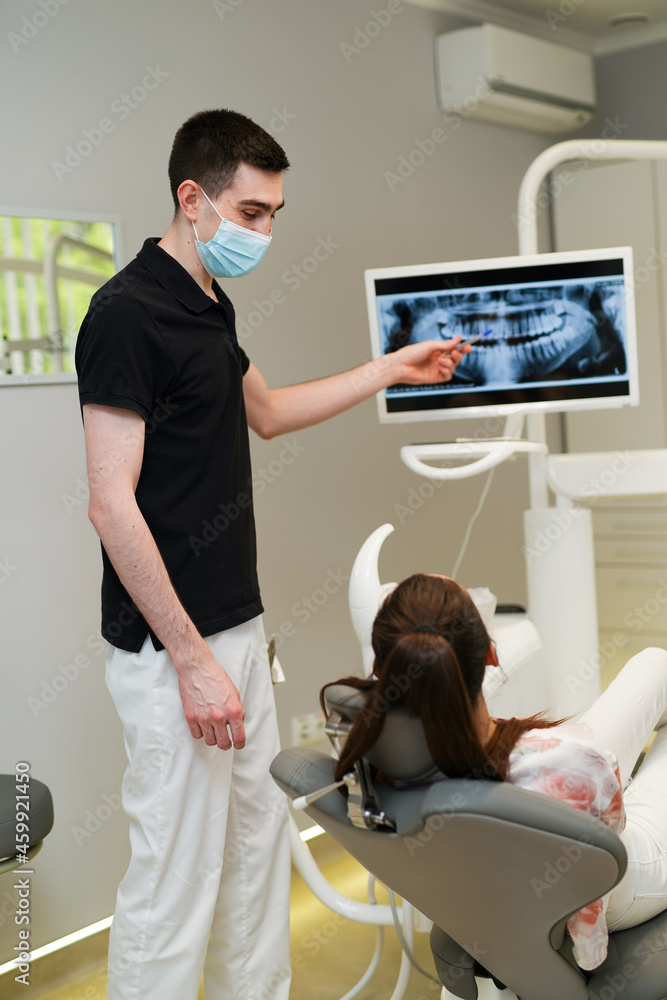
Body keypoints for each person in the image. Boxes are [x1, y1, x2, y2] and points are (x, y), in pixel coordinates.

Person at [74, 109, 468, 1000]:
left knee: (255, 859)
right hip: (175, 650)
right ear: (192, 198)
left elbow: (270, 410)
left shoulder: (209, 298)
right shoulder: (125, 315)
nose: (264, 231)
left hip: (237, 631)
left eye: (273, 214)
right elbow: (110, 502)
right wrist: (192, 659)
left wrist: (389, 369)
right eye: (251, 212)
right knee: (176, 881)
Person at [322, 572, 667, 972]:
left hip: (513, 876)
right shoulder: (575, 764)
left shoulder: (361, 746)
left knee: (655, 664)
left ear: (382, 665)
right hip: (616, 883)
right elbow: (613, 833)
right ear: (490, 654)